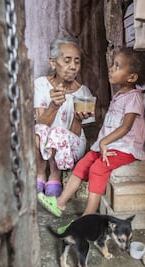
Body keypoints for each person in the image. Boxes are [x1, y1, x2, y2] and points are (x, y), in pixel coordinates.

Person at [37, 47, 145, 219]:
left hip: (124, 148)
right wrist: (101, 143)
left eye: (117, 66)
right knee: (83, 165)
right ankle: (60, 203)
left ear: (132, 77)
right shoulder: (120, 94)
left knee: (98, 169)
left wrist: (104, 142)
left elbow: (126, 127)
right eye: (113, 65)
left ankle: (88, 216)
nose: (111, 68)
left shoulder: (134, 97)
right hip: (107, 145)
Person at [34, 37, 95, 197]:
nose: (73, 67)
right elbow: (40, 123)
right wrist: (54, 105)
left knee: (58, 132)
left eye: (77, 62)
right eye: (67, 61)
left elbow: (77, 133)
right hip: (44, 139)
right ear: (53, 63)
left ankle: (55, 176)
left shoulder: (84, 93)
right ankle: (40, 173)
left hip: (71, 144)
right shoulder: (41, 84)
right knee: (38, 130)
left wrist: (78, 119)